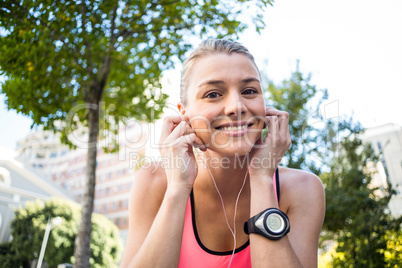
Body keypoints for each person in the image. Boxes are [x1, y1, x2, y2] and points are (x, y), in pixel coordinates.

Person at [121, 39, 325, 268]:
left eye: (249, 91)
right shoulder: (154, 181)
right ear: (184, 113)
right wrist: (178, 189)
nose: (236, 106)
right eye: (213, 94)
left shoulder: (302, 189)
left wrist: (261, 178)